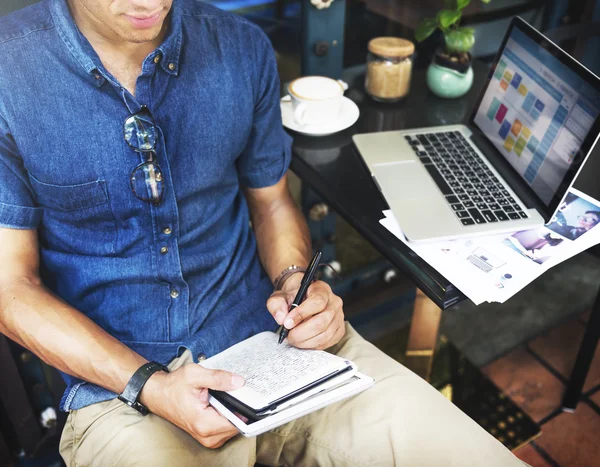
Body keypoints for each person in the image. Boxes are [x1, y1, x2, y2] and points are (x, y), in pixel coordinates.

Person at [0, 1, 527, 465]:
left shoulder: (241, 47)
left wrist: (298, 284)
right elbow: (10, 290)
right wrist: (151, 386)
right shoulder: (9, 70)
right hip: (123, 385)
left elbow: (272, 202)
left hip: (271, 344)